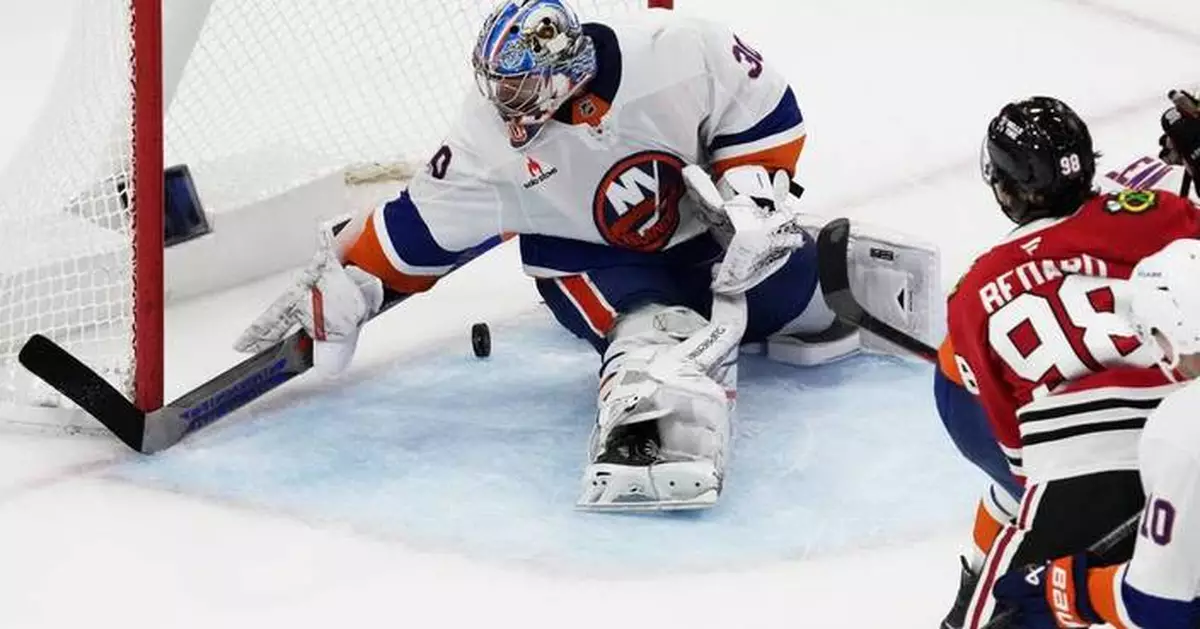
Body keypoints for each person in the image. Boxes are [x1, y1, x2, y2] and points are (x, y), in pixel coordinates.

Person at [229, 0, 938, 511]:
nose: (503, 104)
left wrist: (753, 195)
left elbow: (764, 113)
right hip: (588, 265)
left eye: (516, 86)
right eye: (497, 86)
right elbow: (424, 225)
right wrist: (357, 282)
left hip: (702, 235)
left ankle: (759, 309)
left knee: (811, 296)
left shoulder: (676, 51)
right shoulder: (486, 141)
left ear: (563, 69)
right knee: (655, 338)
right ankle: (649, 410)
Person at [940, 94, 1200, 628]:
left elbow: (1015, 454)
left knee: (1009, 606)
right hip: (1183, 446)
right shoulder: (1159, 213)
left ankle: (976, 583)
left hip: (1069, 479)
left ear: (1005, 188)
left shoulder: (972, 292)